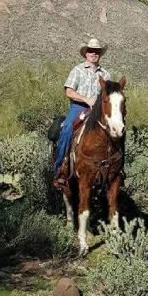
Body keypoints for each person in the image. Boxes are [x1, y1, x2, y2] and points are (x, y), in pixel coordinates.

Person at [53, 38, 112, 186]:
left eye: (97, 51)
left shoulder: (106, 74)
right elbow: (69, 91)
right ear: (86, 53)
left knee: (116, 130)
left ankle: (116, 170)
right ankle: (61, 168)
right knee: (67, 129)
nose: (94, 53)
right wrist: (86, 99)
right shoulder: (77, 70)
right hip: (79, 107)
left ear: (100, 54)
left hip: (99, 110)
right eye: (91, 51)